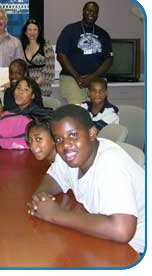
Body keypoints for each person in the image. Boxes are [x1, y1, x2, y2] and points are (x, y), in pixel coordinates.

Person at [27, 104, 144, 254]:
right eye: (58, 139)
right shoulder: (70, 156)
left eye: (73, 135)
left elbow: (122, 230)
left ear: (92, 133)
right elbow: (53, 178)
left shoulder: (111, 164)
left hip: (137, 248)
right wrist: (41, 199)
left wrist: (56, 215)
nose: (66, 145)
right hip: (110, 236)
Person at [56, 1, 113, 104]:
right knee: (79, 110)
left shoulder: (103, 34)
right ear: (83, 12)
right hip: (72, 78)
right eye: (89, 10)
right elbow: (61, 55)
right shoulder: (70, 30)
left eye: (95, 12)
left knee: (100, 109)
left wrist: (92, 77)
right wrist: (78, 77)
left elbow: (109, 60)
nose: (91, 14)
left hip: (96, 78)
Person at [20, 18, 55, 96]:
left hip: (42, 87)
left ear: (39, 32)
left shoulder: (46, 45)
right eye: (29, 30)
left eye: (35, 30)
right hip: (26, 89)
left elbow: (50, 68)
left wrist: (34, 84)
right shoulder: (22, 46)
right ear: (25, 32)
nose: (32, 32)